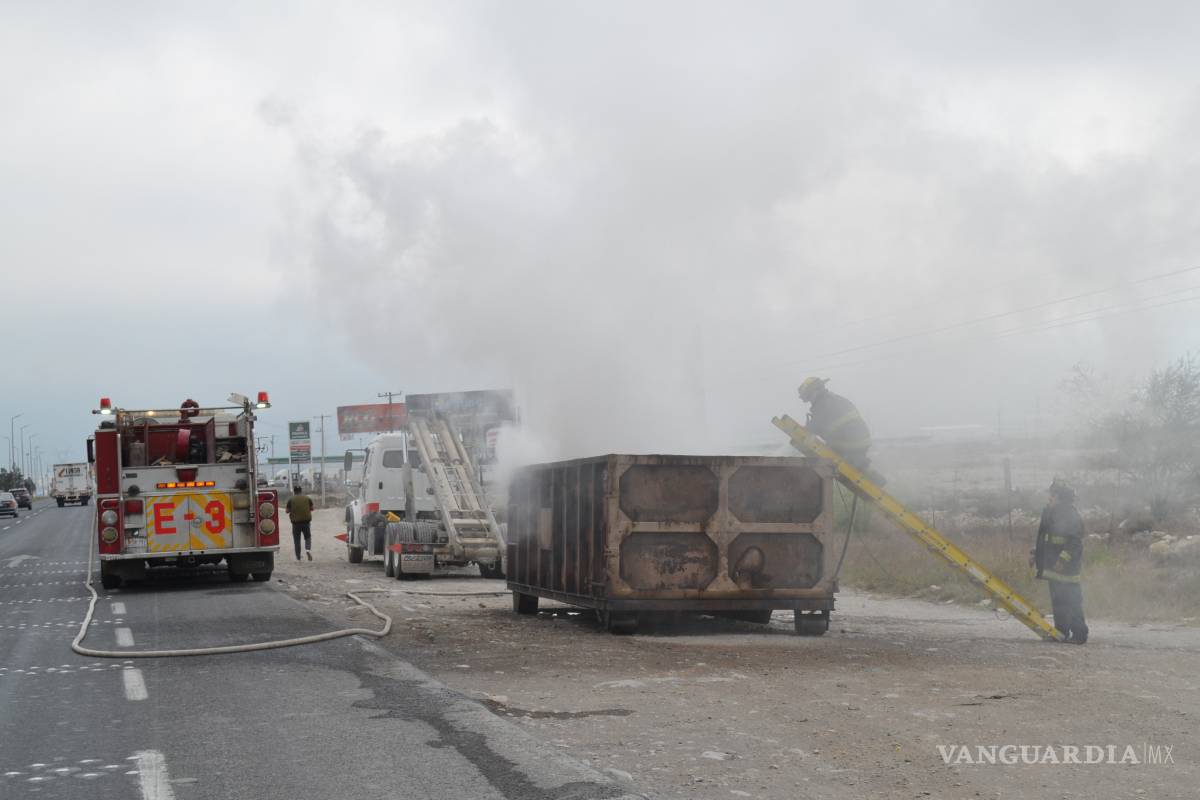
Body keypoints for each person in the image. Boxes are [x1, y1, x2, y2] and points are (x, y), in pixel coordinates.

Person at [1032, 479, 1088, 644]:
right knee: (1058, 601)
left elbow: (1074, 542)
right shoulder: (1052, 512)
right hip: (1052, 565)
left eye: (1052, 494)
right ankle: (1061, 632)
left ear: (1059, 496)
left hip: (1066, 568)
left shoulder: (1069, 514)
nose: (1049, 497)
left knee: (1071, 600)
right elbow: (1046, 538)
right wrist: (1034, 554)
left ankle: (1079, 634)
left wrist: (1062, 560)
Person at [797, 377, 872, 470]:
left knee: (821, 455)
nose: (810, 401)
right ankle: (858, 461)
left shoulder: (823, 403)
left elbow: (813, 429)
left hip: (851, 444)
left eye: (809, 397)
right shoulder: (834, 399)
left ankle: (855, 460)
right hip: (861, 443)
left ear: (815, 391)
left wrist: (802, 433)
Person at [286, 484, 314, 561]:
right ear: (301, 491)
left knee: (297, 540)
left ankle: (298, 557)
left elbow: (287, 511)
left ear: (294, 492)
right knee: (307, 537)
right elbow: (312, 508)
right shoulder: (307, 498)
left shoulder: (291, 499)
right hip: (306, 522)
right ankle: (308, 550)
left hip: (296, 524)